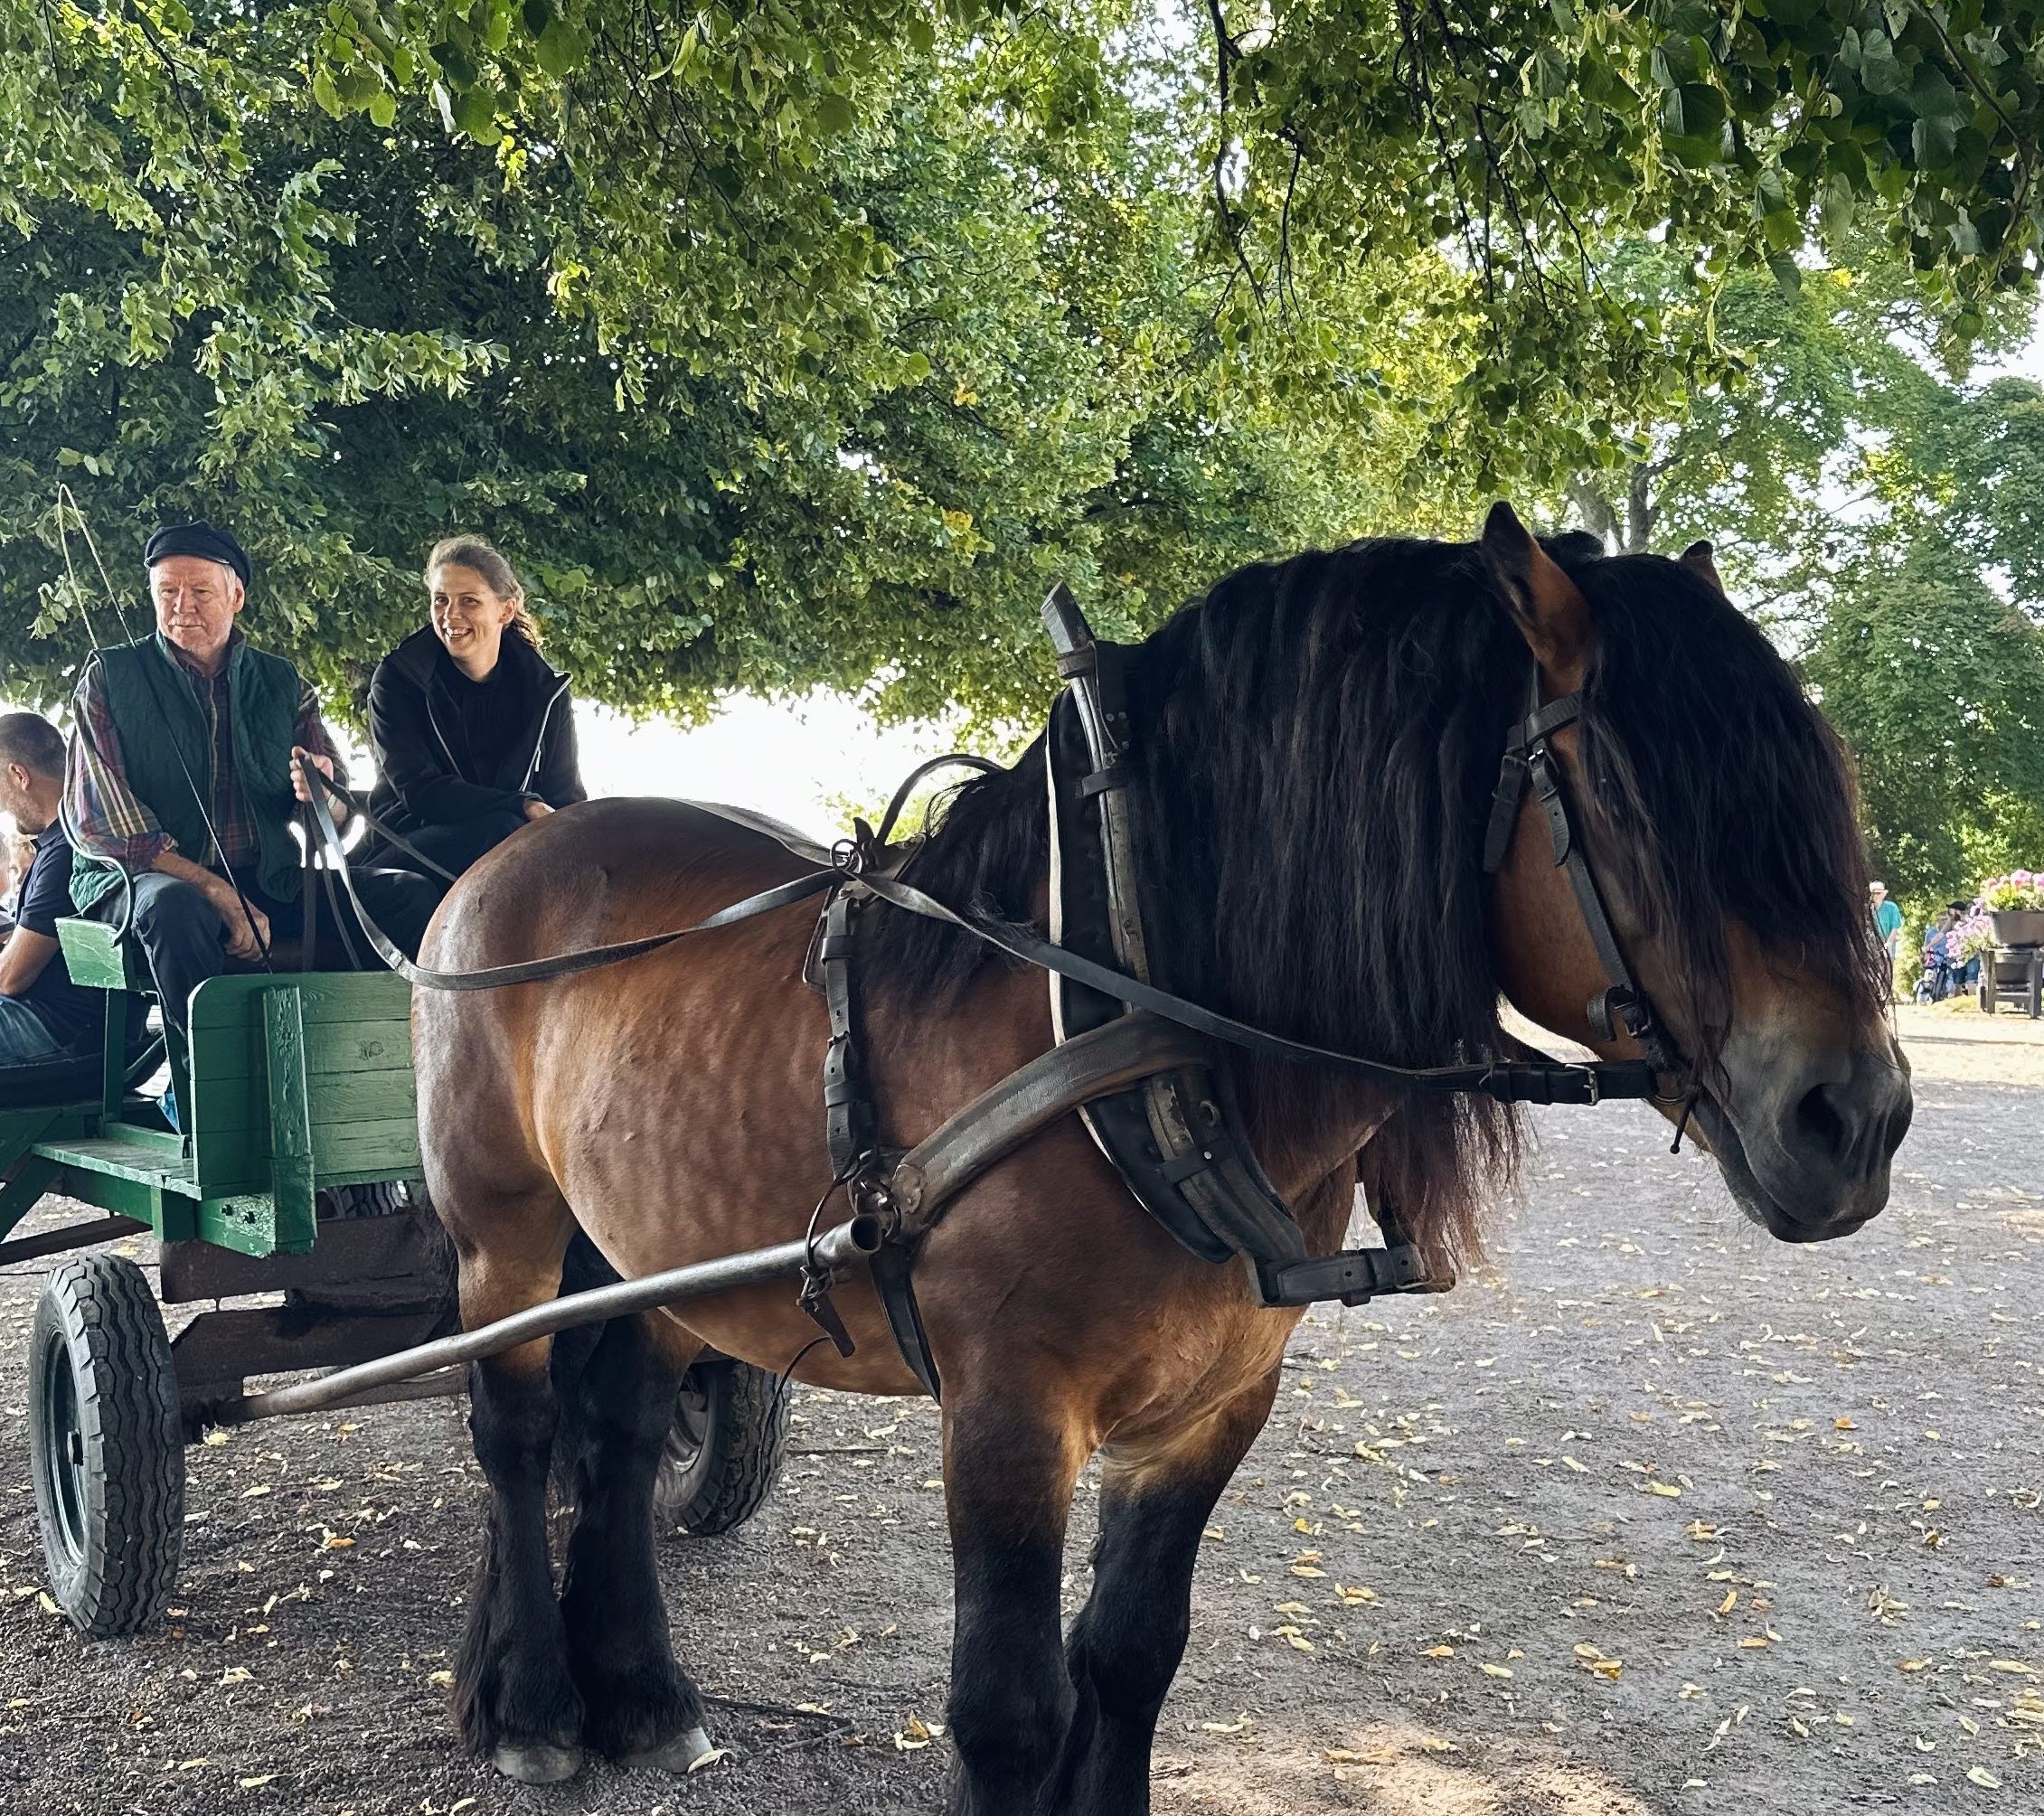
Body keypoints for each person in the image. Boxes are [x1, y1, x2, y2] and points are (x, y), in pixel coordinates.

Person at [64, 522, 440, 1055]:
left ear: (236, 595)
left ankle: (383, 1066)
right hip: (139, 883)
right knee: (179, 910)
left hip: (268, 880)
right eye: (166, 593)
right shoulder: (107, 677)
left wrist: (322, 794)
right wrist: (217, 892)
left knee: (407, 896)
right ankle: (204, 1094)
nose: (181, 607)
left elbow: (335, 814)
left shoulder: (283, 683)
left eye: (200, 592)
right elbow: (103, 825)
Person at [364, 535, 585, 883]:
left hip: (506, 838)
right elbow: (420, 792)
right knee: (506, 831)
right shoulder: (399, 680)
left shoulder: (547, 691)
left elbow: (565, 796)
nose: (451, 615)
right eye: (440, 601)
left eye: (468, 601)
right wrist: (521, 804)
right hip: (406, 845)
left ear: (506, 610)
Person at [0, 712, 102, 1070]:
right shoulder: (69, 840)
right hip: (52, 1019)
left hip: (57, 1026)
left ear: (19, 775)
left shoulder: (67, 851)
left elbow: (11, 978)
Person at [1870, 881, 1903, 997]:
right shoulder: (1867, 908)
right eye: (1874, 893)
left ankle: (1885, 993)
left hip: (1887, 939)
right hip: (1871, 940)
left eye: (1879, 893)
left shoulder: (1891, 907)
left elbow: (1895, 927)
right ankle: (1874, 993)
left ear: (1883, 894)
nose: (1876, 896)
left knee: (1887, 966)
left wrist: (1888, 943)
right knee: (1871, 967)